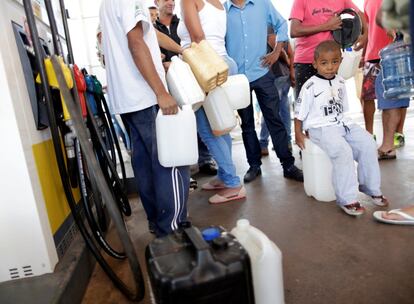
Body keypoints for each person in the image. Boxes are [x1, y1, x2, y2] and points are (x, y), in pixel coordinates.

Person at [100, 0, 189, 236]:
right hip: (145, 95)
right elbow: (136, 44)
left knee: (146, 163)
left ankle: (157, 221)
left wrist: (183, 50)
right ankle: (172, 228)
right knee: (171, 161)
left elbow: (149, 37)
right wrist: (161, 92)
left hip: (129, 99)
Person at [294, 40, 389, 216]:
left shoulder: (340, 81)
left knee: (368, 142)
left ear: (340, 61)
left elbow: (342, 109)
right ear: (315, 64)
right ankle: (348, 199)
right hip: (320, 128)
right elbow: (299, 113)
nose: (330, 67)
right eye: (324, 63)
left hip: (342, 123)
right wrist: (298, 133)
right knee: (343, 151)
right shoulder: (310, 86)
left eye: (334, 62)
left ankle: (370, 187)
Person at [225, 0, 303, 183]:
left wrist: (277, 51)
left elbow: (282, 24)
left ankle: (288, 165)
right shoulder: (222, 10)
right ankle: (254, 166)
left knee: (274, 120)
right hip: (237, 79)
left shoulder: (262, 4)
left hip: (263, 73)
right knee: (247, 124)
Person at [178, 0, 246, 204]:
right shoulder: (216, 2)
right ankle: (226, 177)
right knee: (220, 126)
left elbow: (198, 39)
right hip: (223, 62)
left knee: (209, 130)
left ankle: (233, 184)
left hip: (206, 66)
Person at [154, 0, 218, 176]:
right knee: (177, 120)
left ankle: (205, 159)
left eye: (172, 0)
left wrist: (185, 56)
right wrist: (164, 63)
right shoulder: (152, 28)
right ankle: (183, 165)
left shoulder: (181, 23)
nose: (170, 2)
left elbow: (193, 44)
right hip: (167, 80)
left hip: (188, 75)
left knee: (197, 116)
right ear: (155, 2)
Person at [289, 0, 367, 99]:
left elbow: (360, 14)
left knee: (331, 105)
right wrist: (327, 26)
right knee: (304, 109)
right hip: (305, 62)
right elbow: (294, 30)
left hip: (330, 62)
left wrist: (365, 35)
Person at [372, 8, 409, 160]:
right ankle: (388, 146)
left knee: (390, 89)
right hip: (402, 46)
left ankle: (388, 146)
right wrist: (391, 27)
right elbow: (380, 15)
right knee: (389, 89)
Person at [260, 32, 295, 155]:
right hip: (283, 74)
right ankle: (287, 141)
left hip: (276, 75)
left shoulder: (268, 28)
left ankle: (263, 143)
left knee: (269, 109)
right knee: (284, 108)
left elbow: (279, 51)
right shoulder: (281, 29)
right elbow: (291, 53)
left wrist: (287, 61)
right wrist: (291, 71)